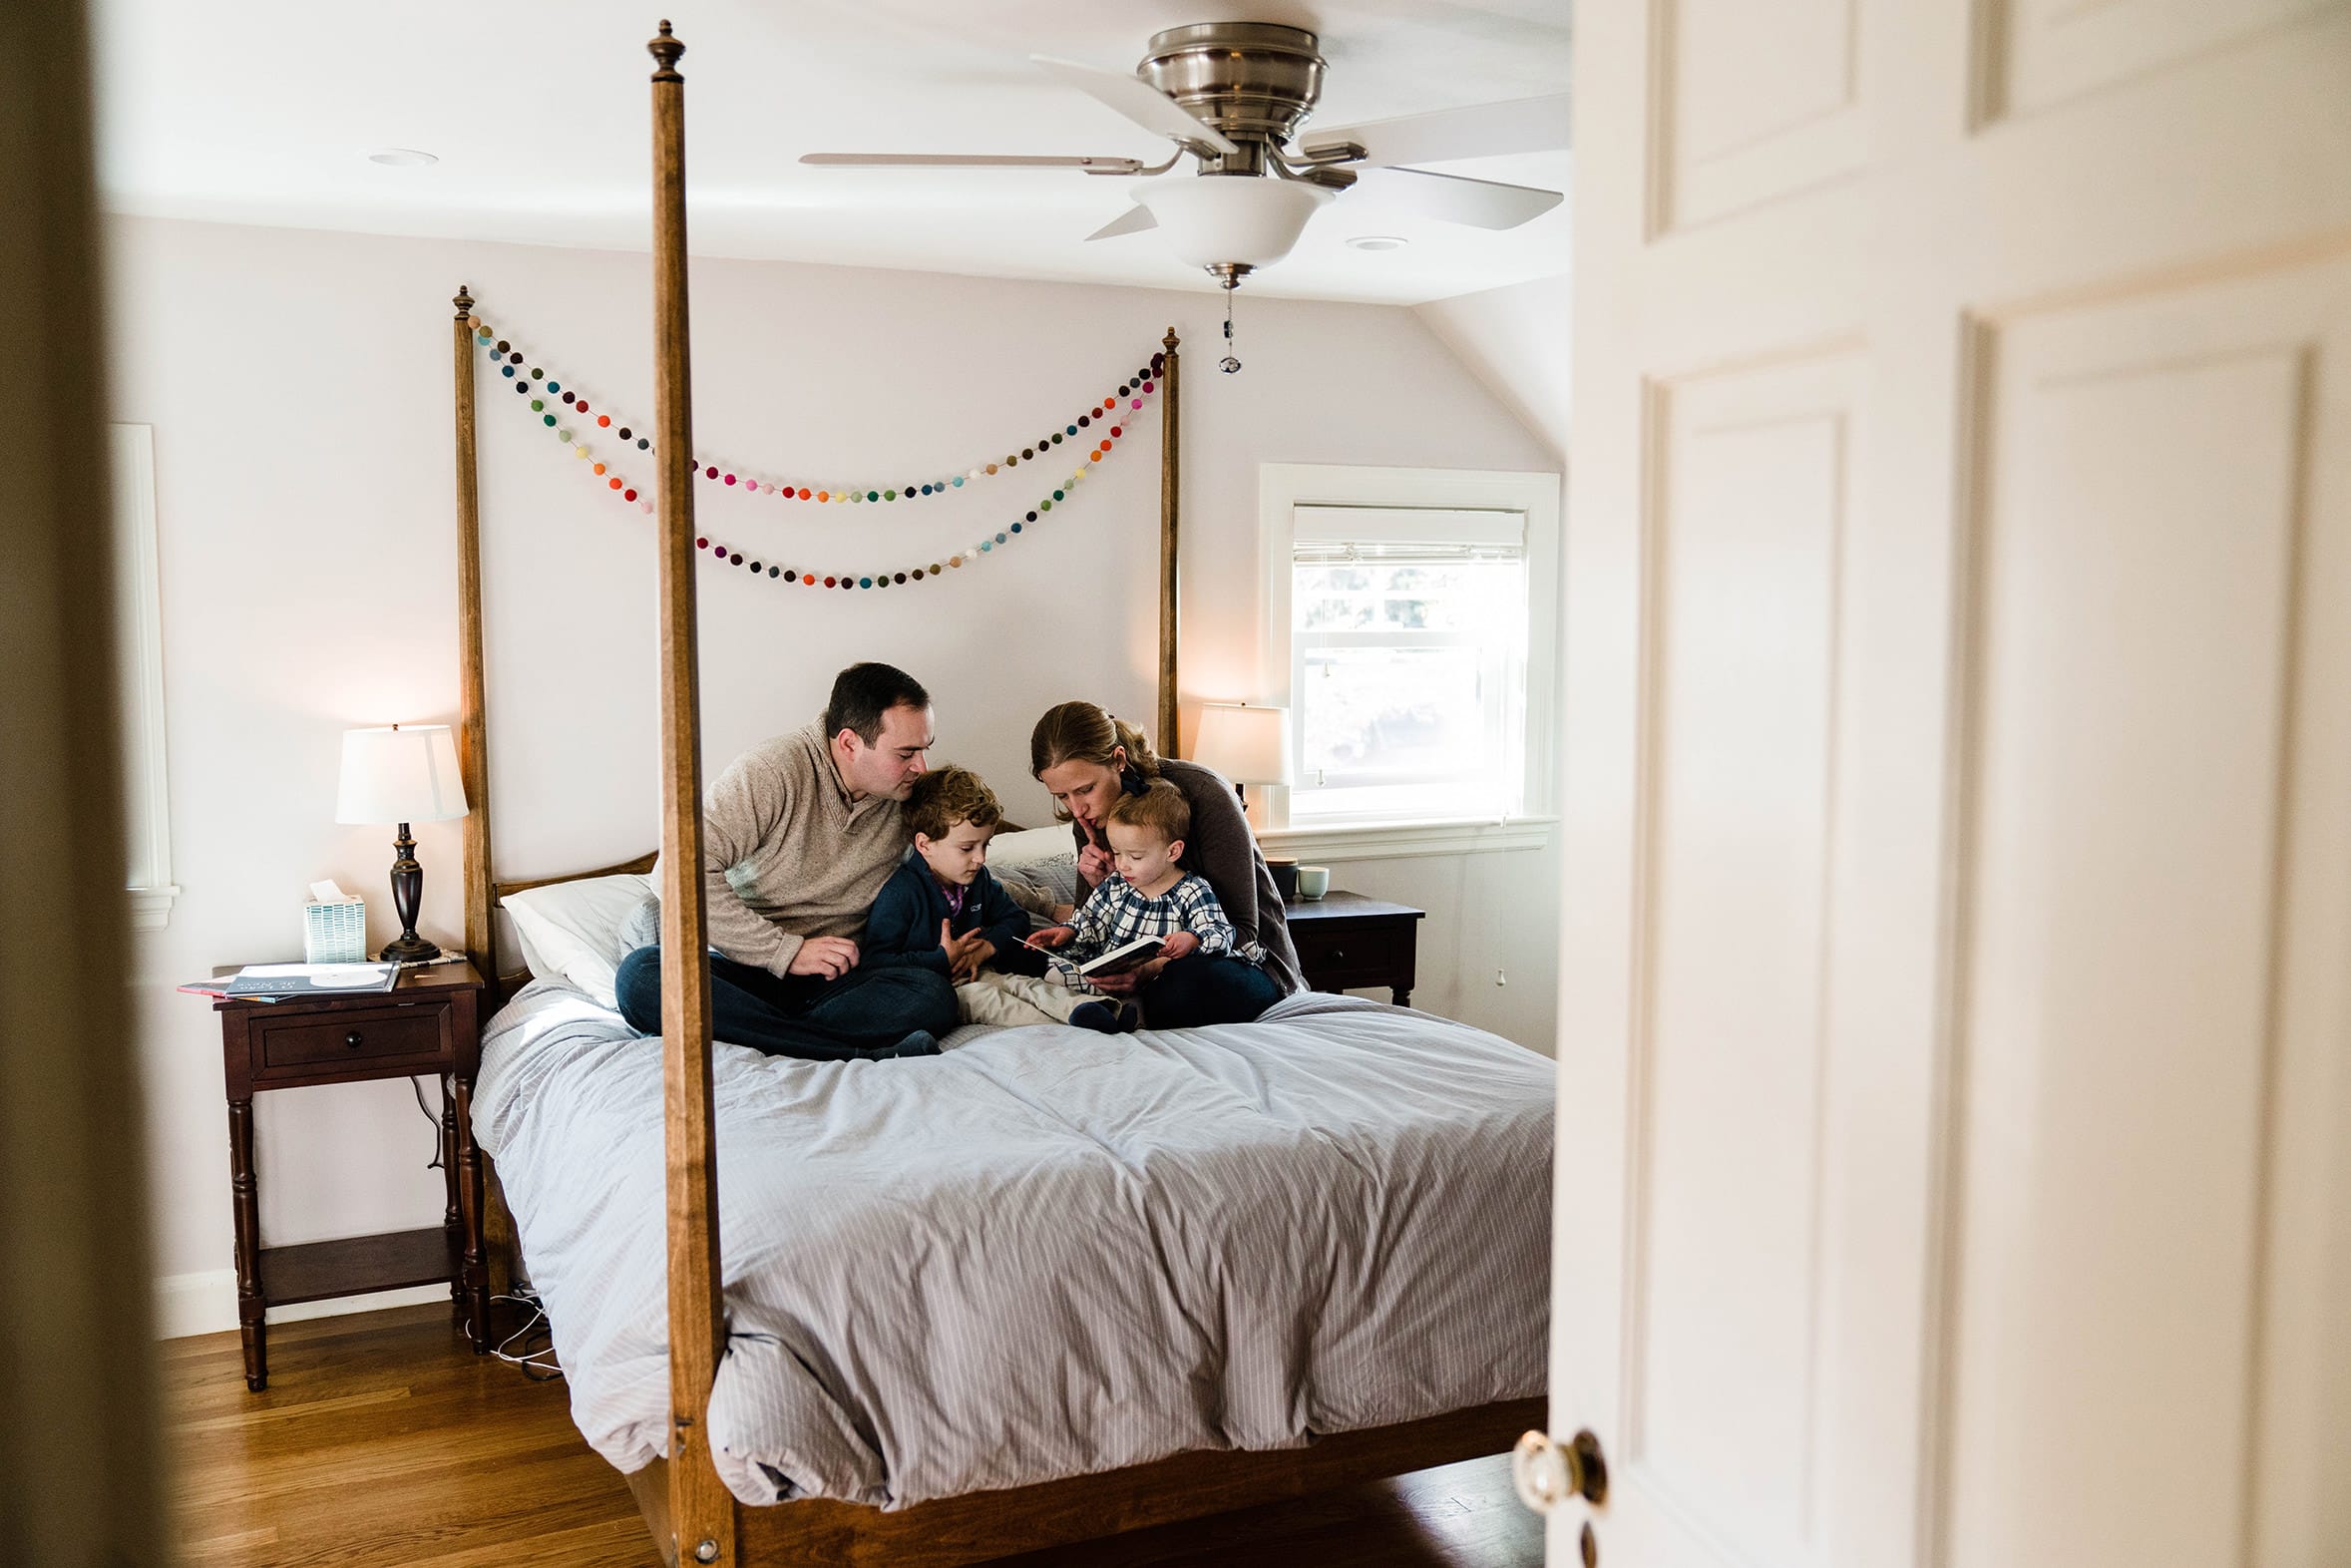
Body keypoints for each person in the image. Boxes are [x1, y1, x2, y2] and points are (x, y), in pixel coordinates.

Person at [612, 662, 958, 1059]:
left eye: (925, 749)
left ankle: (775, 1035)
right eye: (906, 753)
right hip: (746, 971)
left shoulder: (908, 794)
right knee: (641, 976)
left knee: (934, 996)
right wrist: (786, 952)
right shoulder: (771, 772)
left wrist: (1017, 913)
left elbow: (960, 856)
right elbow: (676, 872)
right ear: (849, 743)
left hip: (840, 979)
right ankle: (852, 1053)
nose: (921, 767)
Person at [1029, 700, 1301, 1026]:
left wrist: (1150, 969)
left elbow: (1242, 930)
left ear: (1118, 760)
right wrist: (1099, 885)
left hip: (1240, 960)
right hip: (1142, 966)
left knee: (1181, 987)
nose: (1076, 809)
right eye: (1062, 796)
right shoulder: (1089, 819)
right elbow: (1093, 926)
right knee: (1030, 960)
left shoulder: (1205, 792)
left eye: (1085, 789)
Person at [864, 765, 1137, 1033]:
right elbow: (876, 962)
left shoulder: (978, 880)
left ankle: (1102, 1009)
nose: (980, 858)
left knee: (1024, 985)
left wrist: (988, 947)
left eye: (985, 845)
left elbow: (1015, 918)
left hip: (980, 968)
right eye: (967, 848)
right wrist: (940, 958)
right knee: (994, 1002)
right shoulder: (902, 893)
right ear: (924, 845)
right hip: (936, 988)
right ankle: (1073, 1029)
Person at [1029, 781, 1259, 1027]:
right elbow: (1091, 921)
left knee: (1172, 993)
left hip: (1157, 981)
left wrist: (1192, 938)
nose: (1122, 865)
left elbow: (1220, 931)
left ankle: (1123, 1016)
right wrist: (1068, 932)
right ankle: (1095, 1010)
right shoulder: (1116, 884)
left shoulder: (1192, 890)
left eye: (1135, 856)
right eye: (1117, 853)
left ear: (1172, 852)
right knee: (1055, 972)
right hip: (1111, 975)